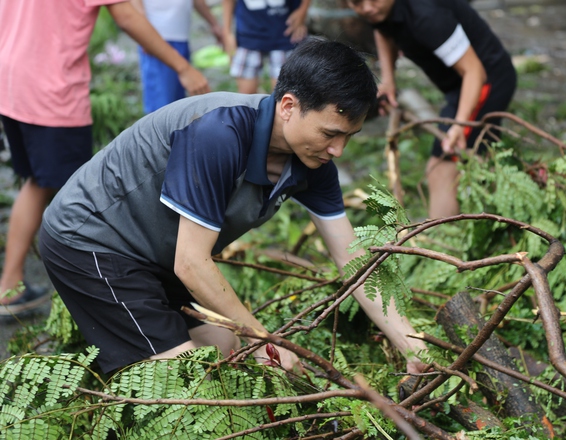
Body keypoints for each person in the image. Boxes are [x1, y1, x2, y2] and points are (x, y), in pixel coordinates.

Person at [38, 38, 428, 374]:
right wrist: (264, 340)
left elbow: (353, 261)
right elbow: (191, 263)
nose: (338, 150)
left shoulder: (314, 161)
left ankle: (119, 348)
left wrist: (409, 341)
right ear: (288, 106)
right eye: (330, 134)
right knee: (184, 382)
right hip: (93, 241)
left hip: (158, 252)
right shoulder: (218, 134)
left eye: (349, 137)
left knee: (227, 350)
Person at [0, 0, 210, 317]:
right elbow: (126, 17)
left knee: (37, 184)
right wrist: (183, 67)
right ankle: (95, 297)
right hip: (51, 90)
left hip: (13, 83)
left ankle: (9, 286)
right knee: (82, 200)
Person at [347, 0, 517, 219]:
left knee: (440, 168)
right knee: (477, 156)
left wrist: (459, 124)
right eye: (357, 2)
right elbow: (383, 31)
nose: (367, 8)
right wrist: (388, 80)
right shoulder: (381, 13)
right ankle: (501, 214)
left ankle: (439, 239)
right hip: (460, 83)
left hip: (484, 81)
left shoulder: (426, 16)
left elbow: (475, 72)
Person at [130, 0, 224, 113]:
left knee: (179, 108)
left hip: (181, 40)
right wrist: (143, 33)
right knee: (161, 110)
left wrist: (214, 24)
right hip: (158, 42)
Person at [222, 0, 310, 94]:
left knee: (283, 94)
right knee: (246, 94)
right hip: (248, 33)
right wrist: (227, 32)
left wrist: (302, 11)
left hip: (286, 32)